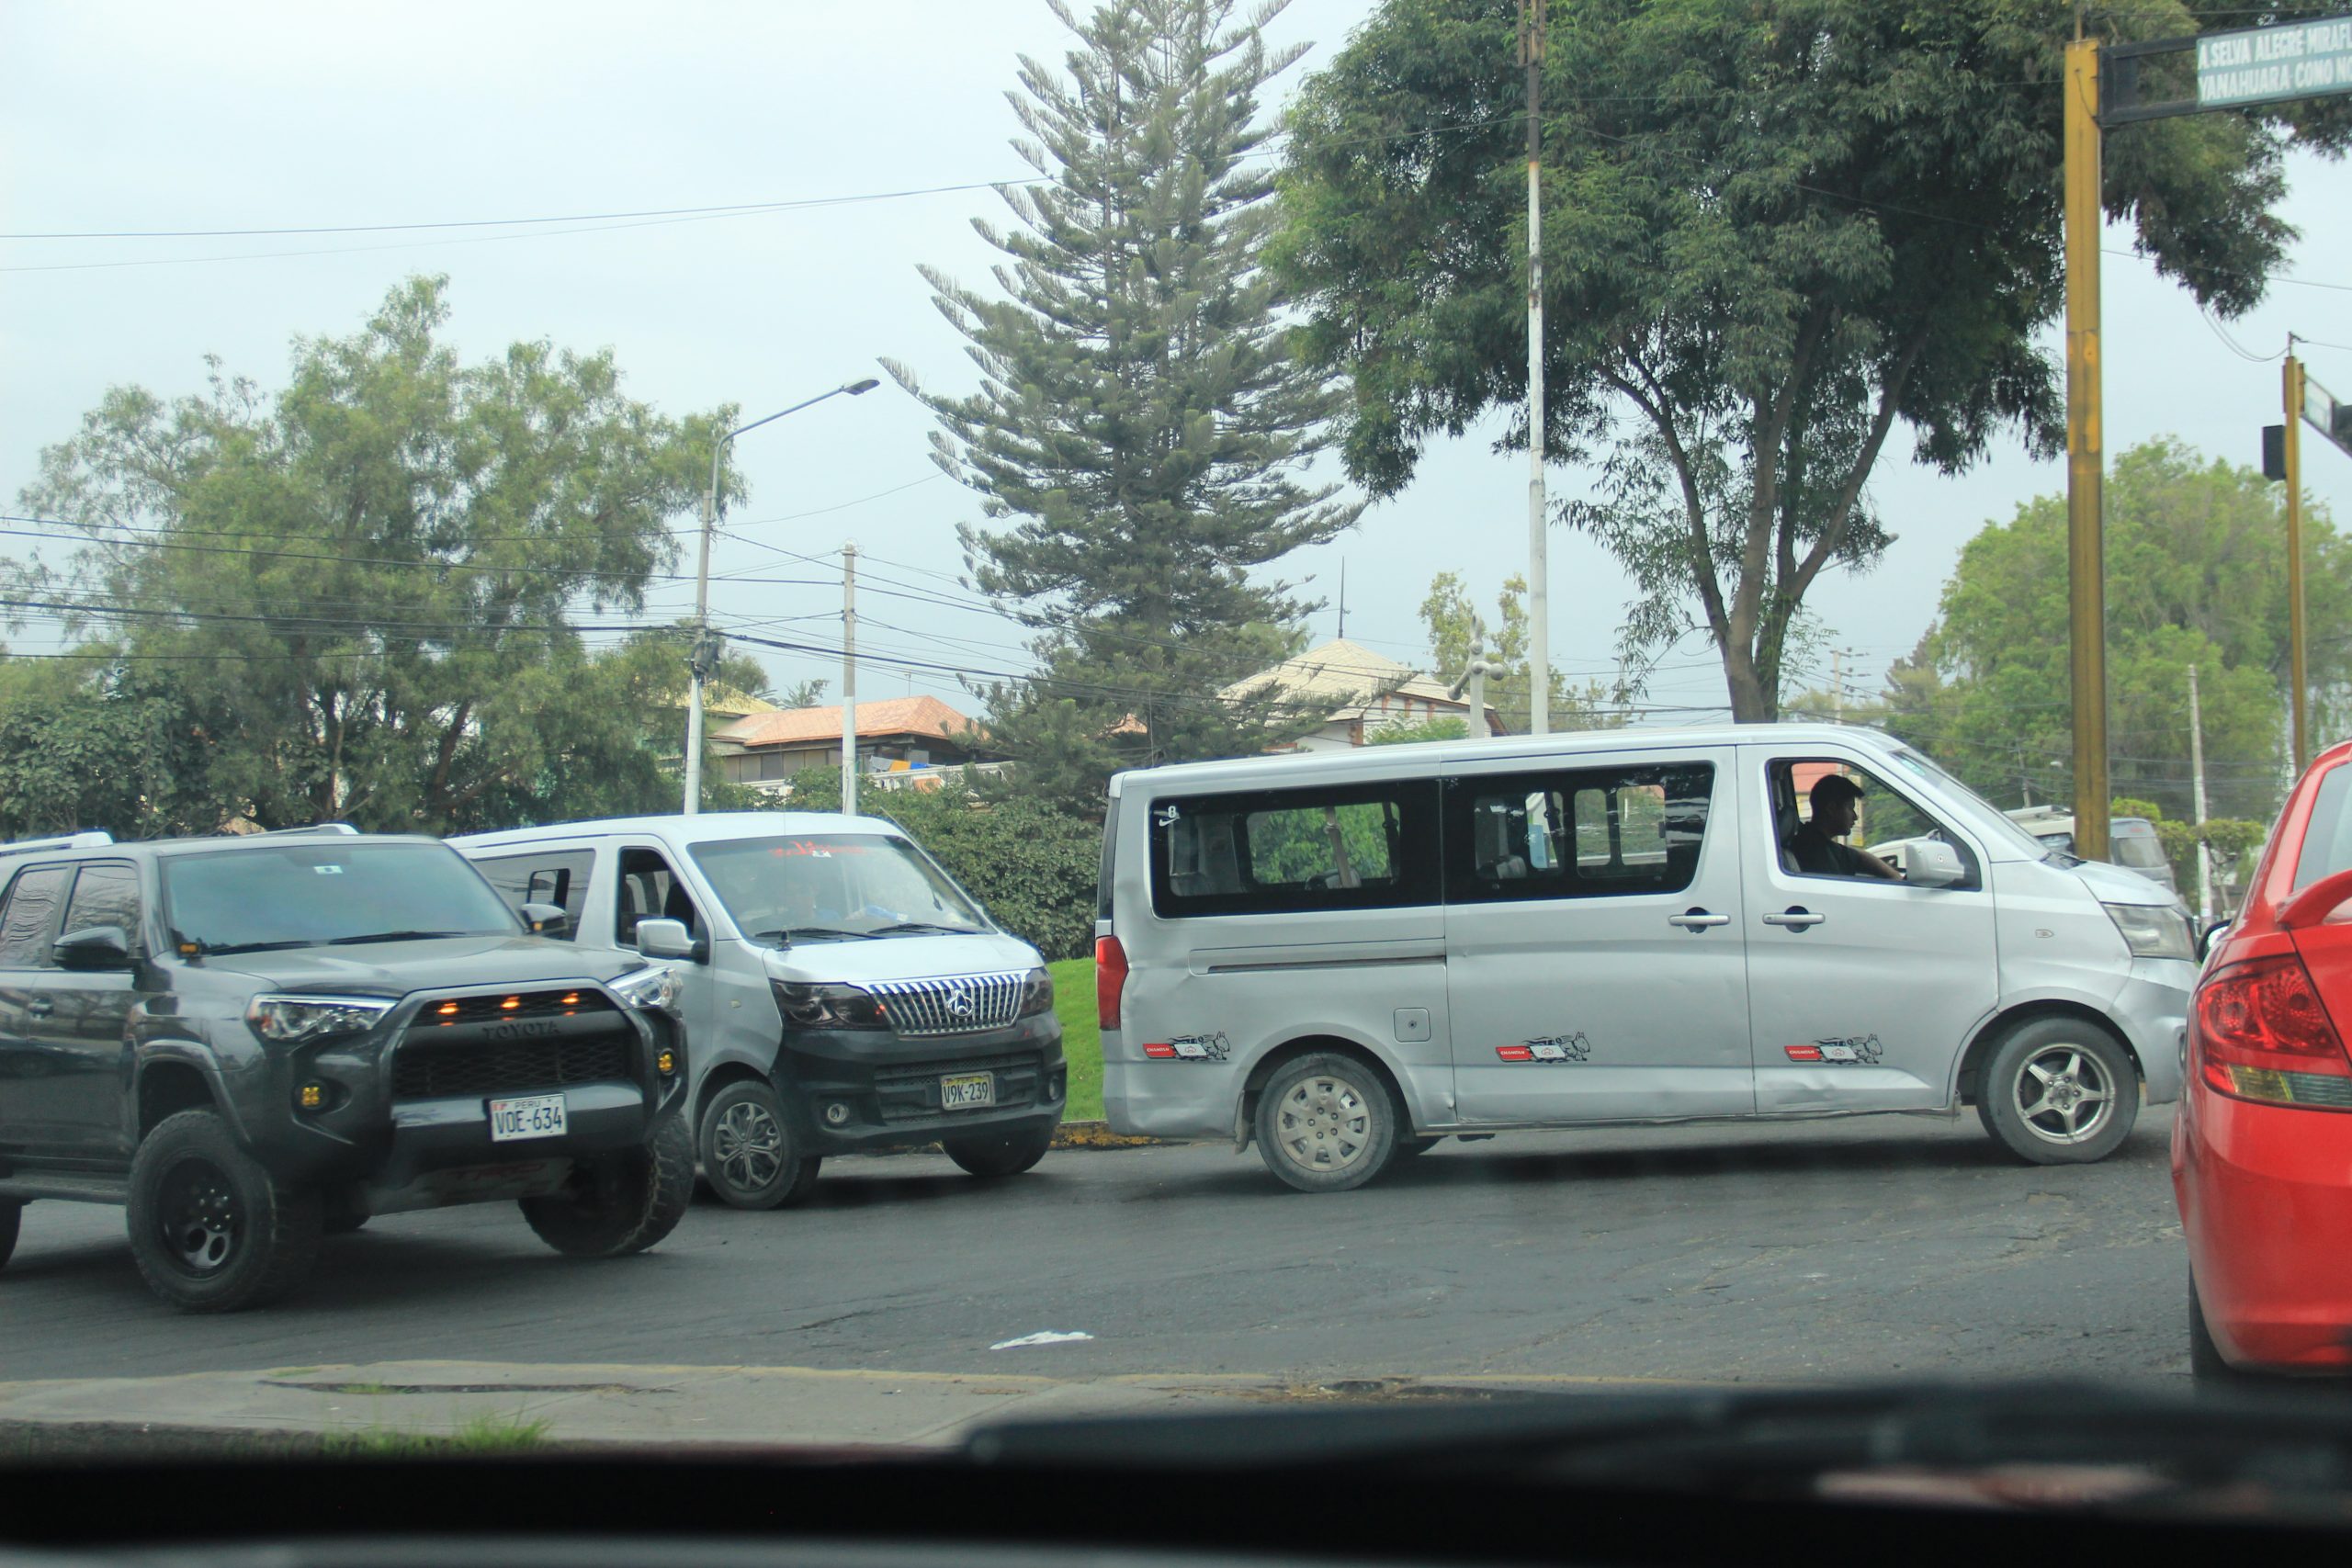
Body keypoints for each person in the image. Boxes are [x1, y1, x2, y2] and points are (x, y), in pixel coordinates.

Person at [1788, 773, 1903, 880]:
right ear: (1831, 808)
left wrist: (1897, 879)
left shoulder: (1818, 842)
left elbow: (1858, 857)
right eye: (1850, 808)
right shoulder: (1815, 853)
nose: (1855, 816)